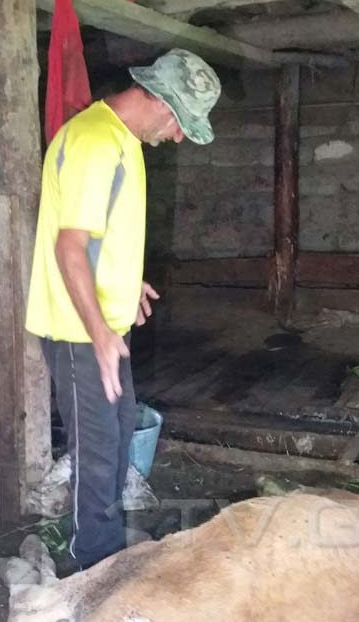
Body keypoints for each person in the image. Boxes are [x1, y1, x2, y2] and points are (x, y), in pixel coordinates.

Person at [25, 49, 221, 570]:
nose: (178, 137)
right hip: (78, 329)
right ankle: (91, 562)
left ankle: (106, 548)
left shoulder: (123, 140)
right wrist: (98, 332)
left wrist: (127, 281)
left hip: (105, 325)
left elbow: (97, 237)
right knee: (96, 446)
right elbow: (70, 247)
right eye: (181, 123)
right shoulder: (94, 142)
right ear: (159, 100)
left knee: (114, 435)